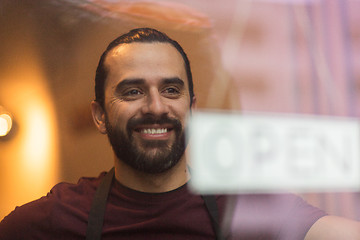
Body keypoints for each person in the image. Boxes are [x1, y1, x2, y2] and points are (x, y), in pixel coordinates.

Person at [0, 27, 359, 240]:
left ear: (192, 108)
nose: (156, 107)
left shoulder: (244, 209)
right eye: (133, 91)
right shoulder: (57, 219)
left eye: (171, 90)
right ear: (99, 116)